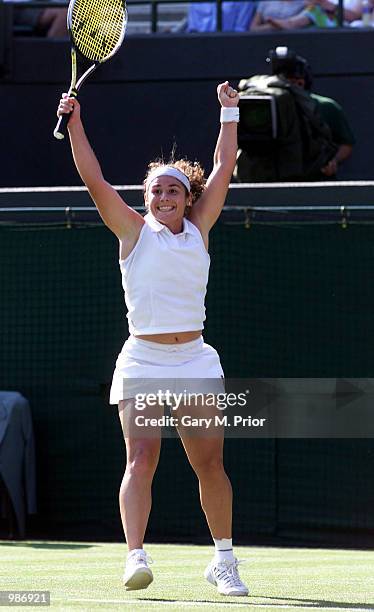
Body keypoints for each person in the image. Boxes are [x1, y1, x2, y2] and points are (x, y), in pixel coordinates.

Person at [57, 82, 249, 596]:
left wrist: (228, 113)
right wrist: (74, 121)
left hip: (195, 361)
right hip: (142, 359)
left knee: (209, 464)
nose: (164, 197)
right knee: (141, 458)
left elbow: (225, 167)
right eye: (156, 192)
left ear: (188, 197)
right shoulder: (133, 233)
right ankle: (135, 557)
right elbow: (93, 179)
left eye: (173, 190)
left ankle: (224, 560)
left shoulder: (200, 228)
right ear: (145, 201)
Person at [270, 47, 355, 178]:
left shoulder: (326, 106)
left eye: (293, 82)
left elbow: (346, 143)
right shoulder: (268, 107)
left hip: (316, 179)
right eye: (285, 81)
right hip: (274, 179)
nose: (290, 86)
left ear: (301, 82)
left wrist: (334, 161)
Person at [187, 1, 256, 32]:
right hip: (199, 46)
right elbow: (192, 29)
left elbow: (241, 30)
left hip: (229, 47)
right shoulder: (195, 2)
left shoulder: (245, 2)